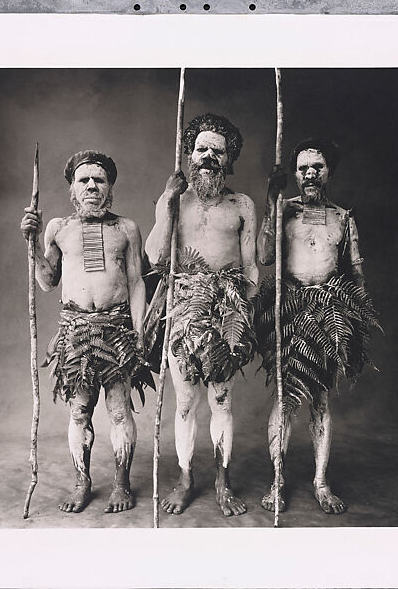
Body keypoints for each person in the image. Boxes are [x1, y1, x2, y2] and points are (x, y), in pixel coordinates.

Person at [20, 150, 151, 514]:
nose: (92, 185)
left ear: (109, 187)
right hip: (75, 331)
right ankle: (83, 482)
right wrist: (31, 245)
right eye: (84, 180)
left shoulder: (126, 228)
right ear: (73, 190)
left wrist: (138, 333)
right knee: (79, 411)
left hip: (117, 331)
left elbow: (138, 282)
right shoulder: (59, 228)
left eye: (100, 180)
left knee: (119, 410)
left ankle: (122, 484)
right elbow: (48, 282)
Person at [255, 138, 380, 515]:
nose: (310, 174)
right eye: (303, 167)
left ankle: (320, 482)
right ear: (294, 173)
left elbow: (355, 275)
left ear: (328, 172)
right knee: (284, 396)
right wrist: (270, 199)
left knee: (320, 400)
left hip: (328, 314)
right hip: (289, 310)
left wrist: (356, 321)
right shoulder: (282, 210)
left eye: (317, 167)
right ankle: (277, 479)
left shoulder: (343, 217)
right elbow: (264, 256)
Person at [145, 113, 258, 516]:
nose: (209, 156)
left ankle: (223, 482)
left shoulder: (241, 204)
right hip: (183, 310)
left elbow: (251, 268)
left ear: (229, 159)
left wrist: (243, 317)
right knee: (186, 402)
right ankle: (186, 477)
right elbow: (155, 257)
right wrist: (166, 203)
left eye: (218, 151)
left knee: (222, 401)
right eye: (201, 149)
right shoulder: (173, 201)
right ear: (189, 155)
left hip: (227, 311)